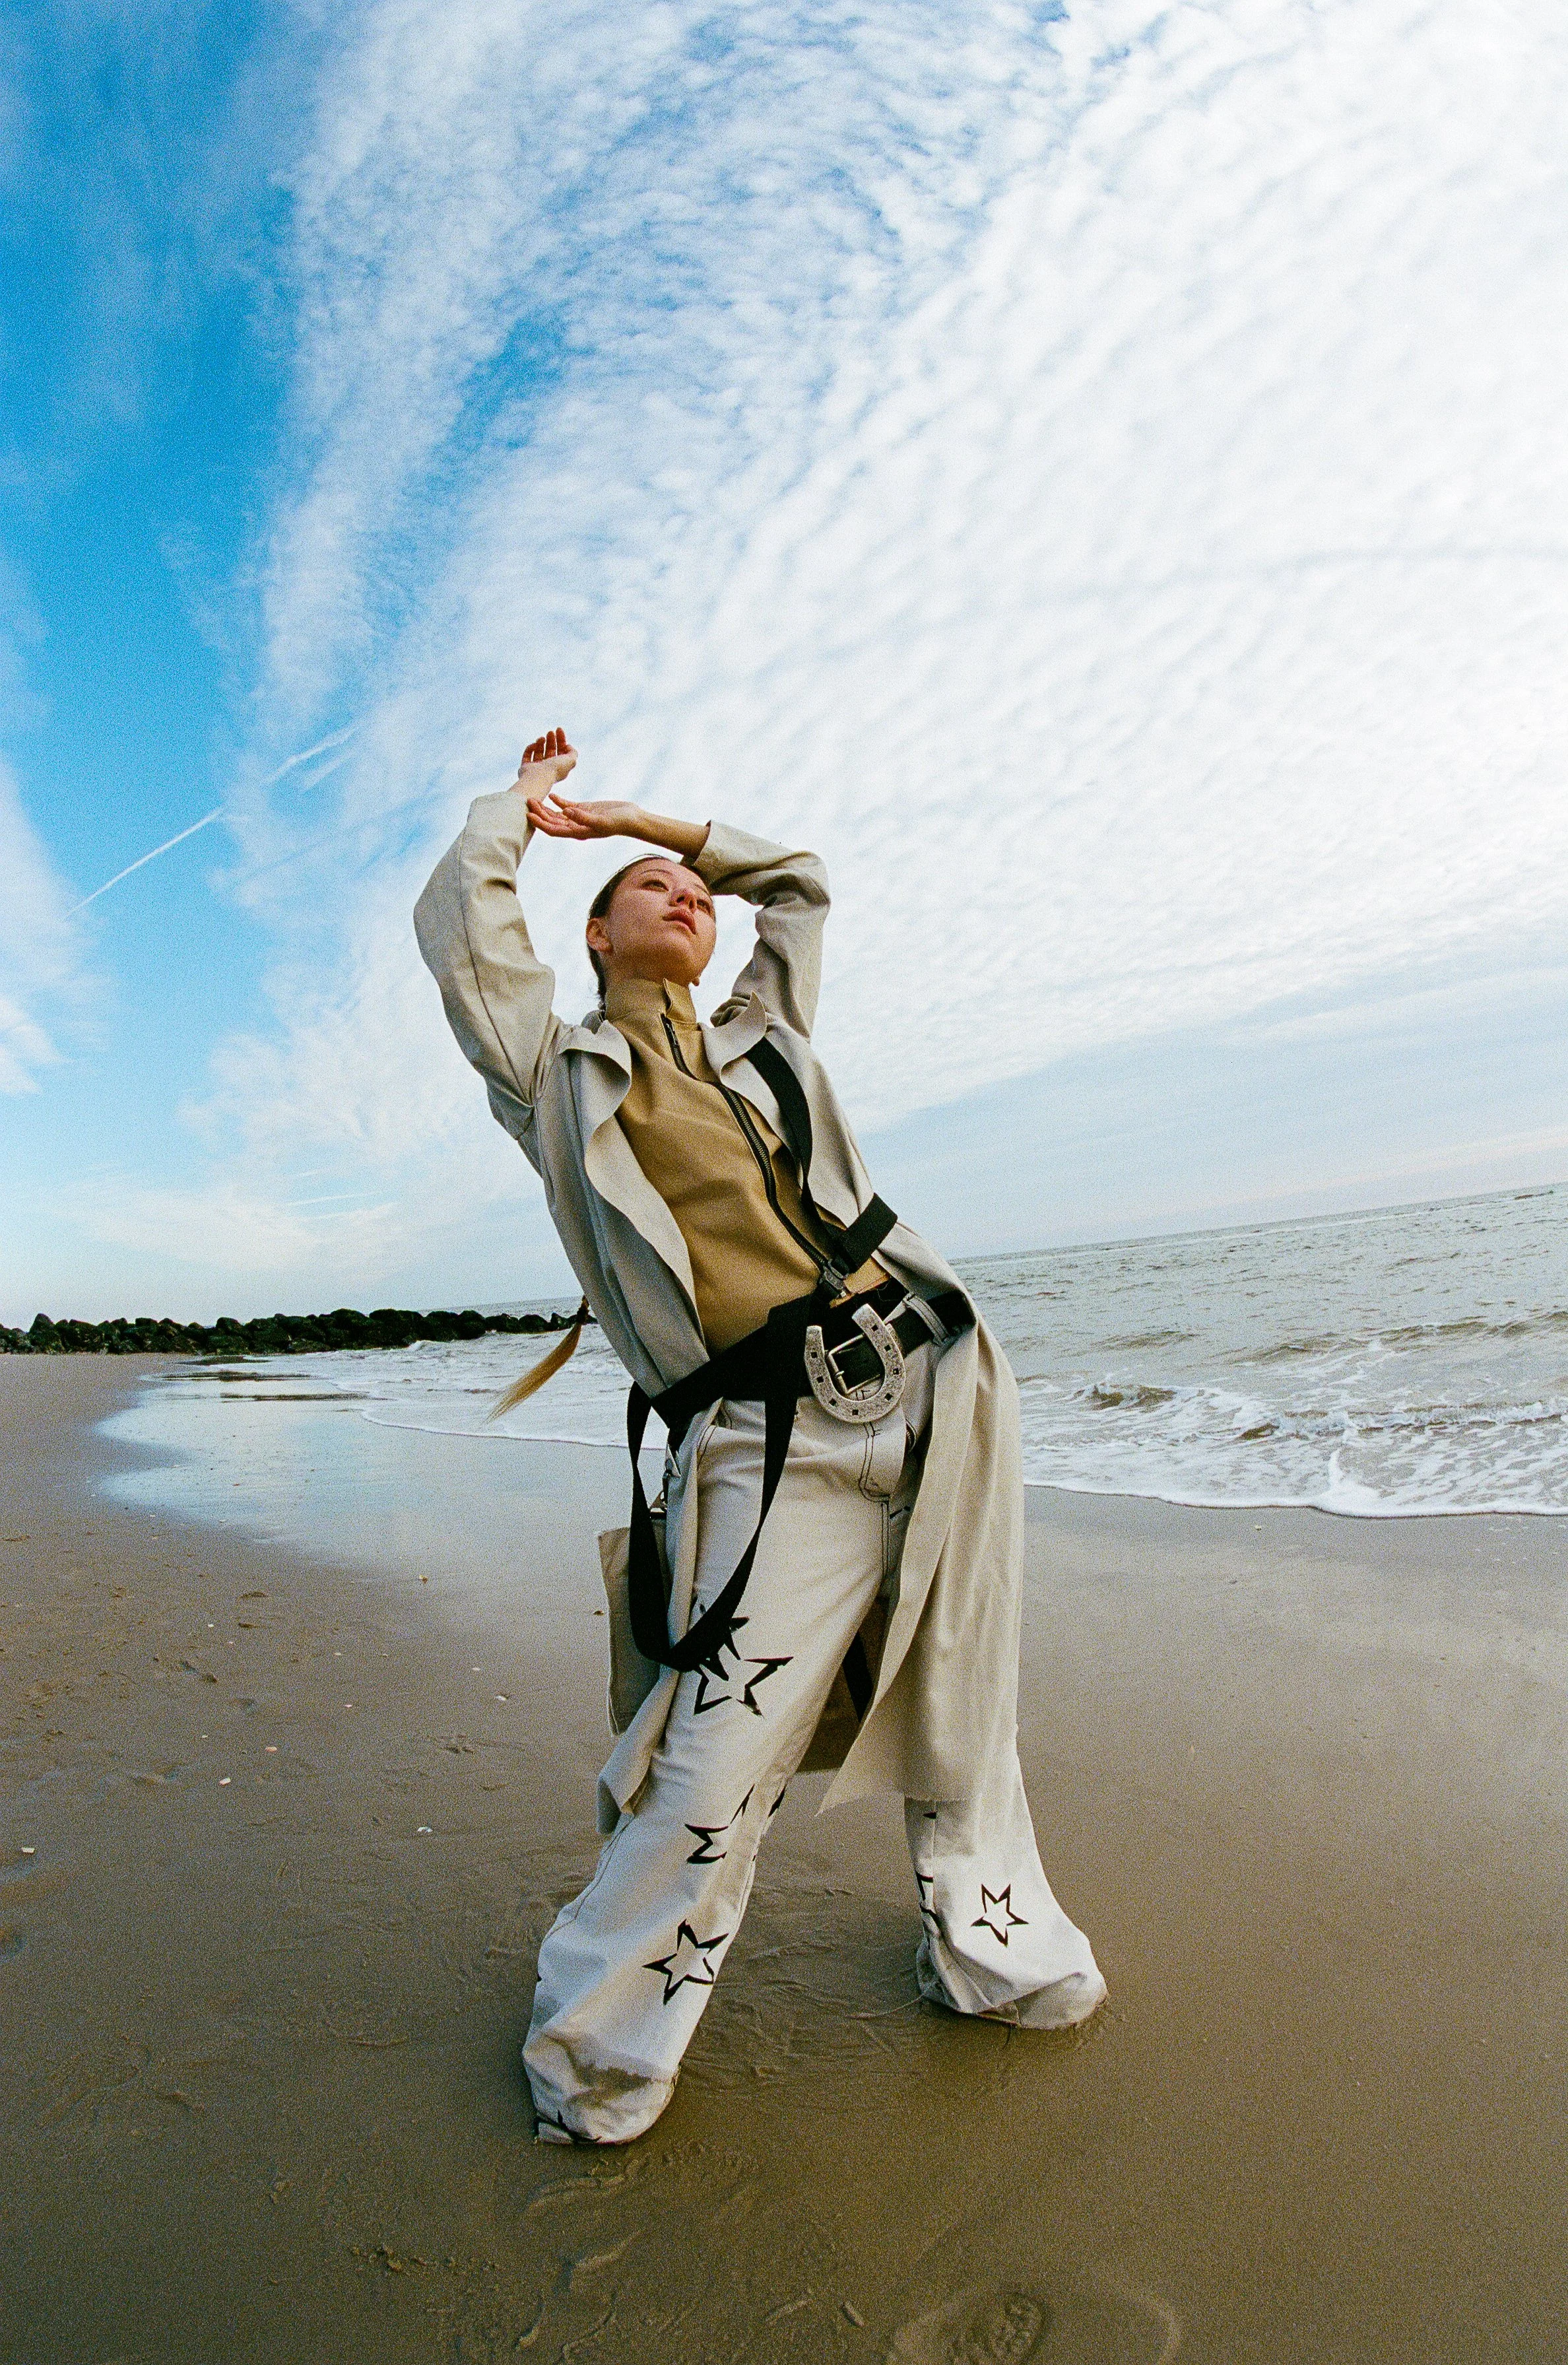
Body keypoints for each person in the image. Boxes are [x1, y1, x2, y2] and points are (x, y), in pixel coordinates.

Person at [414, 726, 1105, 2146]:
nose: (689, 896)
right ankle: (599, 2054)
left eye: (692, 890)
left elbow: (799, 883)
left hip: (939, 1385)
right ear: (594, 934)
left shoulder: (767, 1043)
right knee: (712, 1757)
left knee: (969, 1705)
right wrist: (531, 816)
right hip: (764, 1440)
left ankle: (992, 1956)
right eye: (651, 888)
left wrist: (656, 823)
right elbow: (462, 931)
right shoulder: (557, 1072)